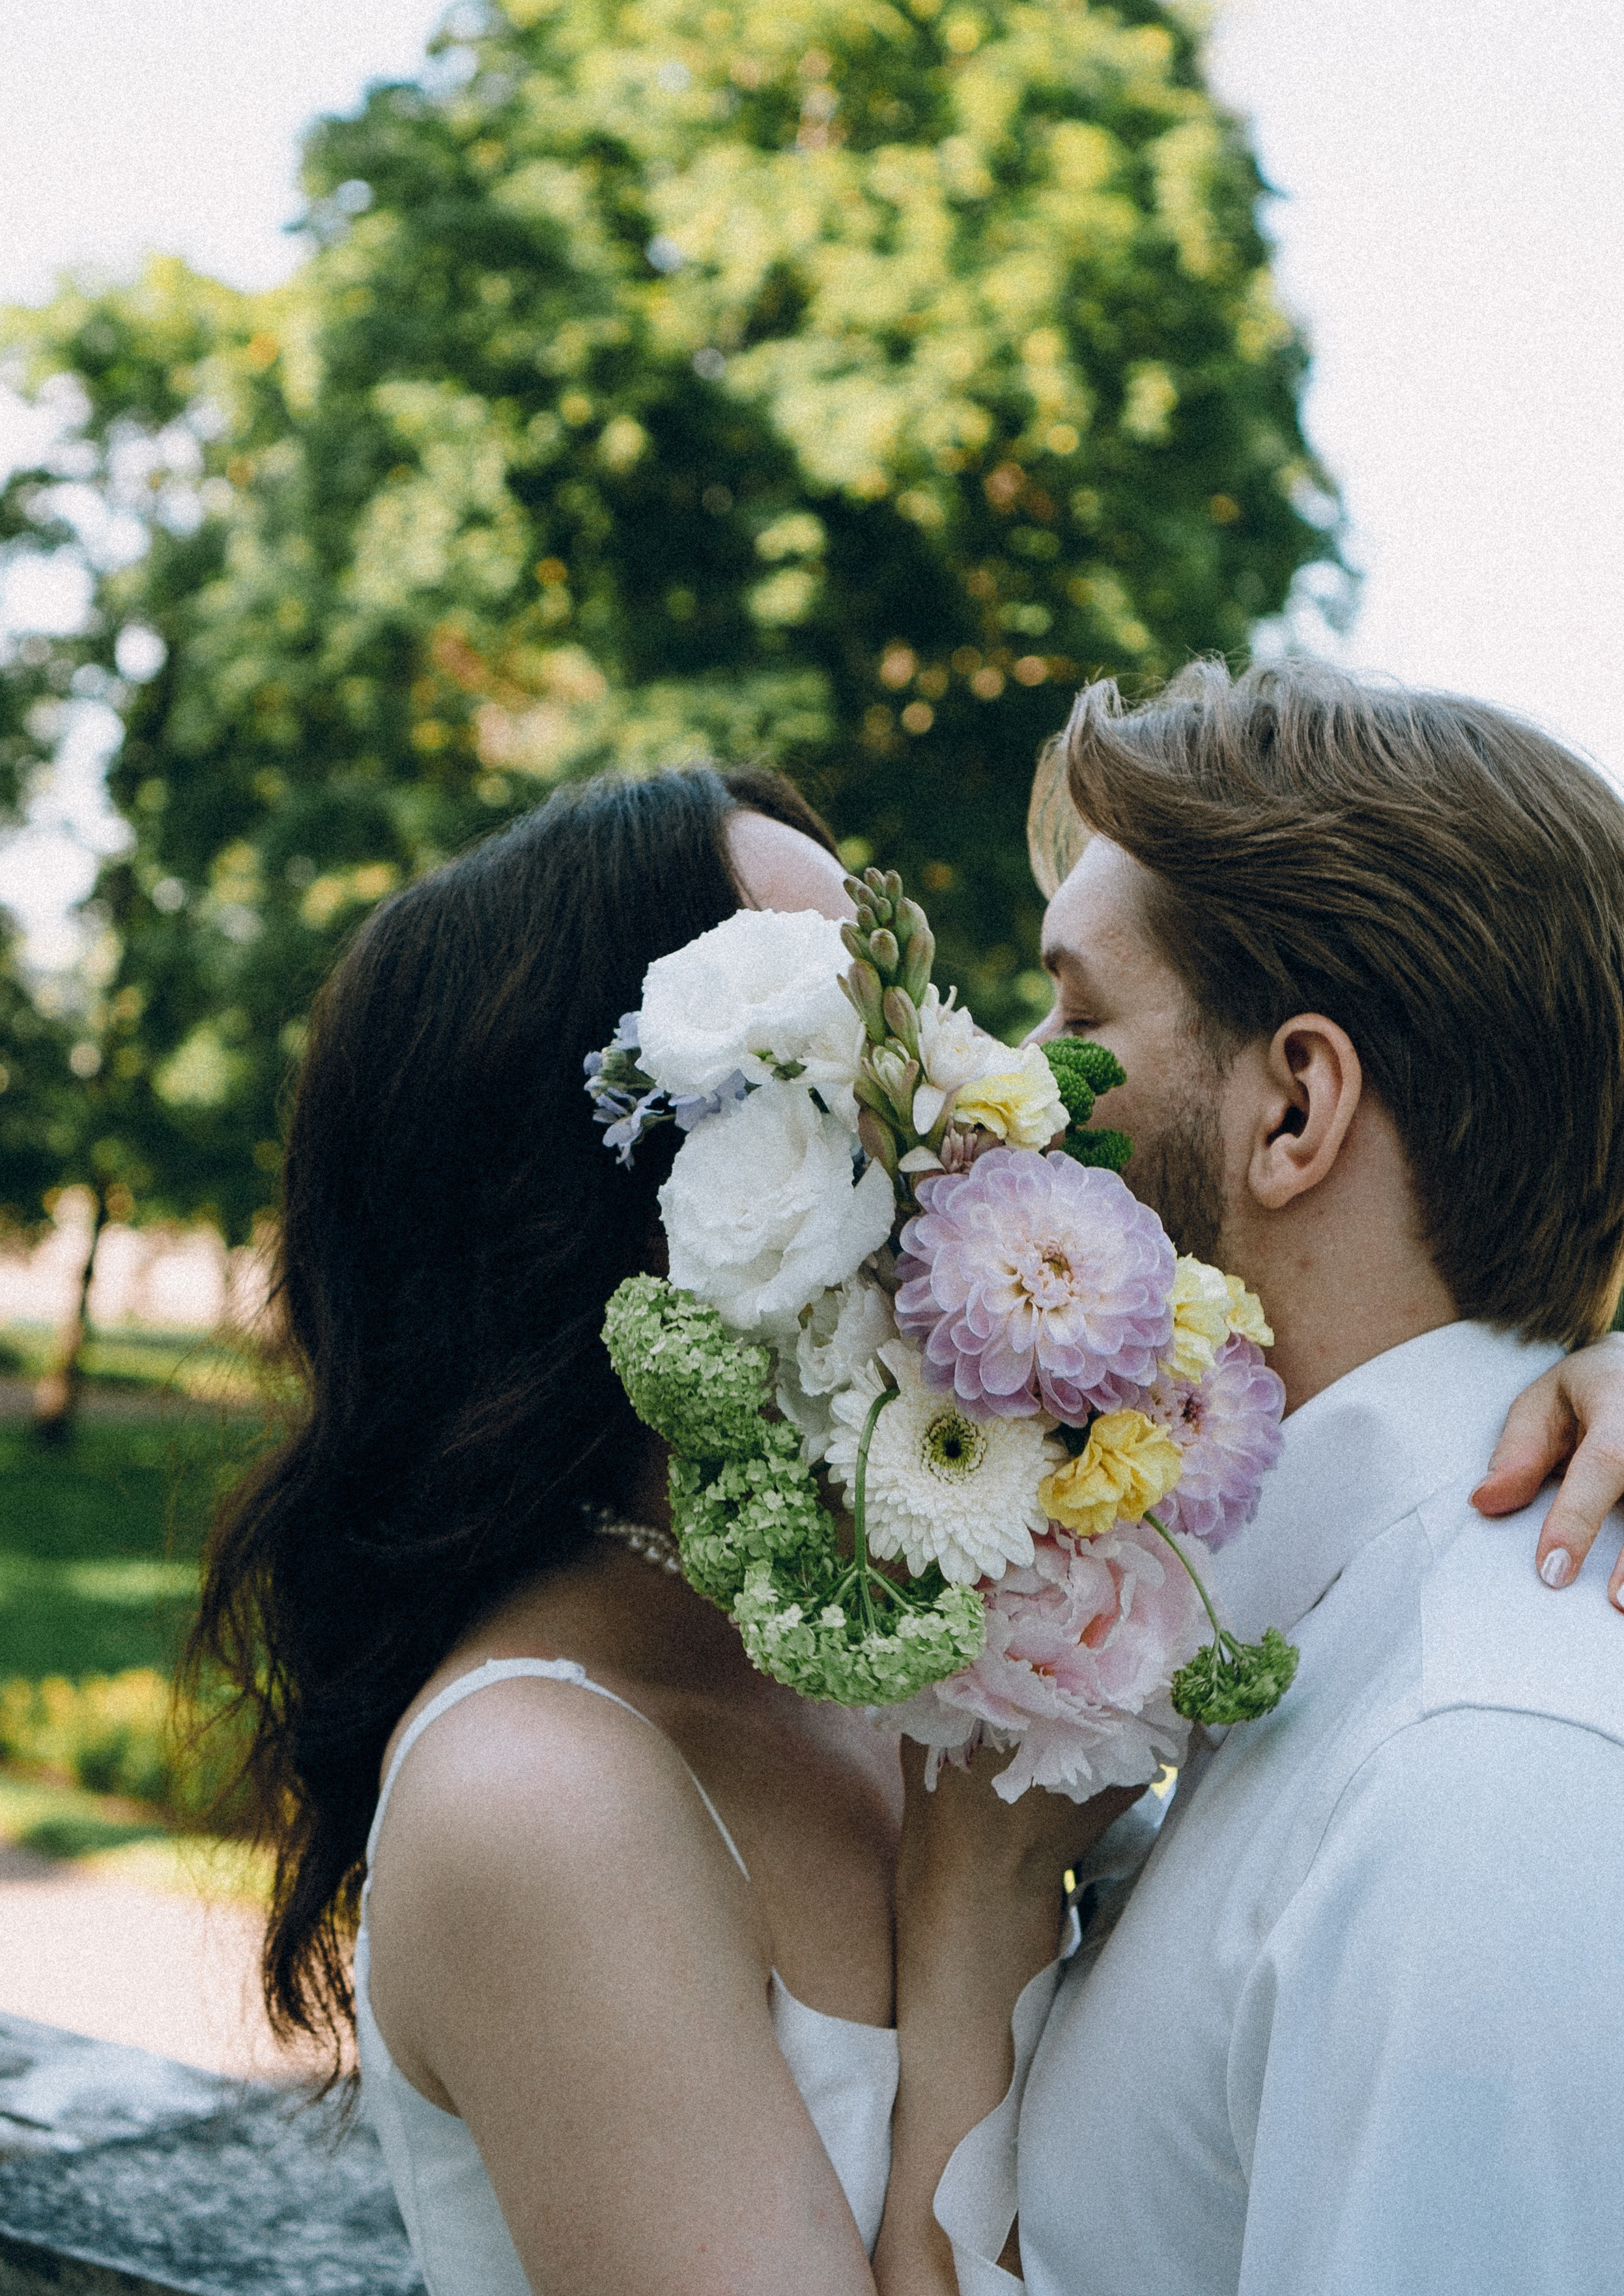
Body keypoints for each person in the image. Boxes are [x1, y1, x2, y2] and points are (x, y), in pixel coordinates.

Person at [186, 749, 1622, 2296]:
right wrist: (973, 1925)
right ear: (641, 1183)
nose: (974, 1098)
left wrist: (1562, 1367)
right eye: (861, 1042)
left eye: (934, 1021)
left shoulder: (952, 1628)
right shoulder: (544, 1792)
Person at [896, 661, 1624, 2295]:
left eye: (1076, 1017)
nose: (996, 1103)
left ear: (1292, 1106)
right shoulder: (1306, 1650)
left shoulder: (1473, 1781)